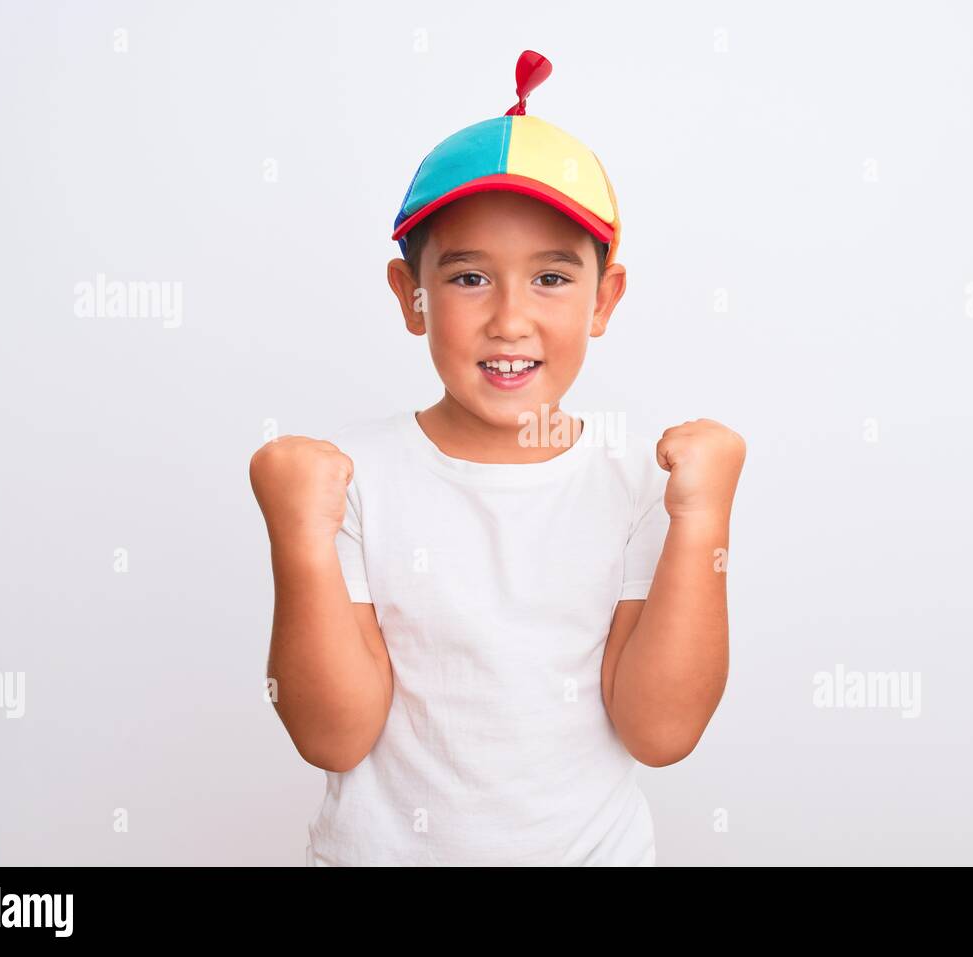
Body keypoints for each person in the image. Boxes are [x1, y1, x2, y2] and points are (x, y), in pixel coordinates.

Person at [249, 50, 746, 865]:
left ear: (604, 299)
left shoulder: (642, 482)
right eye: (470, 276)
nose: (510, 318)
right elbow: (333, 736)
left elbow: (659, 731)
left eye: (551, 276)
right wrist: (299, 540)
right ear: (410, 296)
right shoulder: (349, 481)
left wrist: (705, 520)